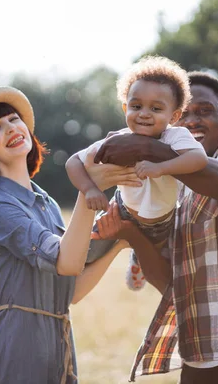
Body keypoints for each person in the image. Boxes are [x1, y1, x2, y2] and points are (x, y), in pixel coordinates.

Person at [89, 72, 218, 383]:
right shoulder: (173, 189)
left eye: (205, 111)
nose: (193, 121)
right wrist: (129, 233)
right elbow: (169, 285)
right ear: (173, 121)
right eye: (185, 114)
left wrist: (146, 148)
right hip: (196, 357)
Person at [0, 86, 138, 384]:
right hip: (14, 350)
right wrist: (88, 189)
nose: (11, 129)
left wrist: (119, 242)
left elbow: (71, 290)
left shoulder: (47, 203)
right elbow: (66, 262)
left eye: (14, 119)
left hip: (57, 346)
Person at [66, 56, 207, 290]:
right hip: (121, 210)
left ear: (173, 116)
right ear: (125, 107)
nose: (144, 114)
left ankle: (138, 260)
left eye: (156, 108)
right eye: (136, 106)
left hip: (163, 221)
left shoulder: (175, 137)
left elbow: (199, 159)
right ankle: (61, 280)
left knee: (170, 271)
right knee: (87, 253)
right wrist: (90, 189)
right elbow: (74, 162)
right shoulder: (118, 139)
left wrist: (161, 167)